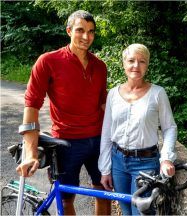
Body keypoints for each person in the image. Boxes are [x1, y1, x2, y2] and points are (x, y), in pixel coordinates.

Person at [15, 10, 111, 215]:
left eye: (91, 31)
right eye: (80, 30)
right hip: (67, 142)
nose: (86, 37)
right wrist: (30, 153)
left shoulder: (100, 66)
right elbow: (31, 105)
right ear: (69, 31)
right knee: (66, 198)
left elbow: (104, 105)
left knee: (104, 191)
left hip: (99, 140)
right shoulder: (48, 61)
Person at [98, 44, 177, 215]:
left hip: (145, 163)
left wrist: (166, 158)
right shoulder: (113, 93)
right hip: (118, 162)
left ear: (147, 66)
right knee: (126, 210)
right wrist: (105, 169)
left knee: (141, 213)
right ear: (124, 63)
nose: (136, 66)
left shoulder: (158, 93)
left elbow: (169, 128)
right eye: (131, 60)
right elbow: (106, 133)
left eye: (142, 62)